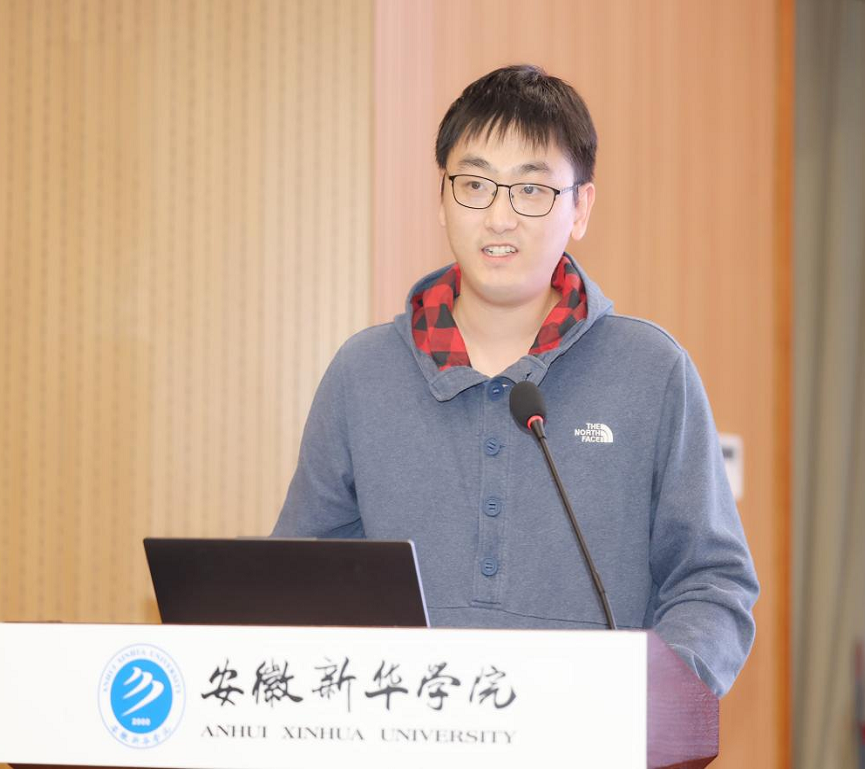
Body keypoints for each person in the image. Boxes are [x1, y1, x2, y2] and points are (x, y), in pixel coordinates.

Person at [272, 65, 758, 697]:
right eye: (475, 184)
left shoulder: (653, 371)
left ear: (580, 207)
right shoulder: (362, 373)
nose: (499, 217)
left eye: (531, 190)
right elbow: (299, 582)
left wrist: (648, 702)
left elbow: (712, 585)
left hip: (590, 734)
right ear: (441, 198)